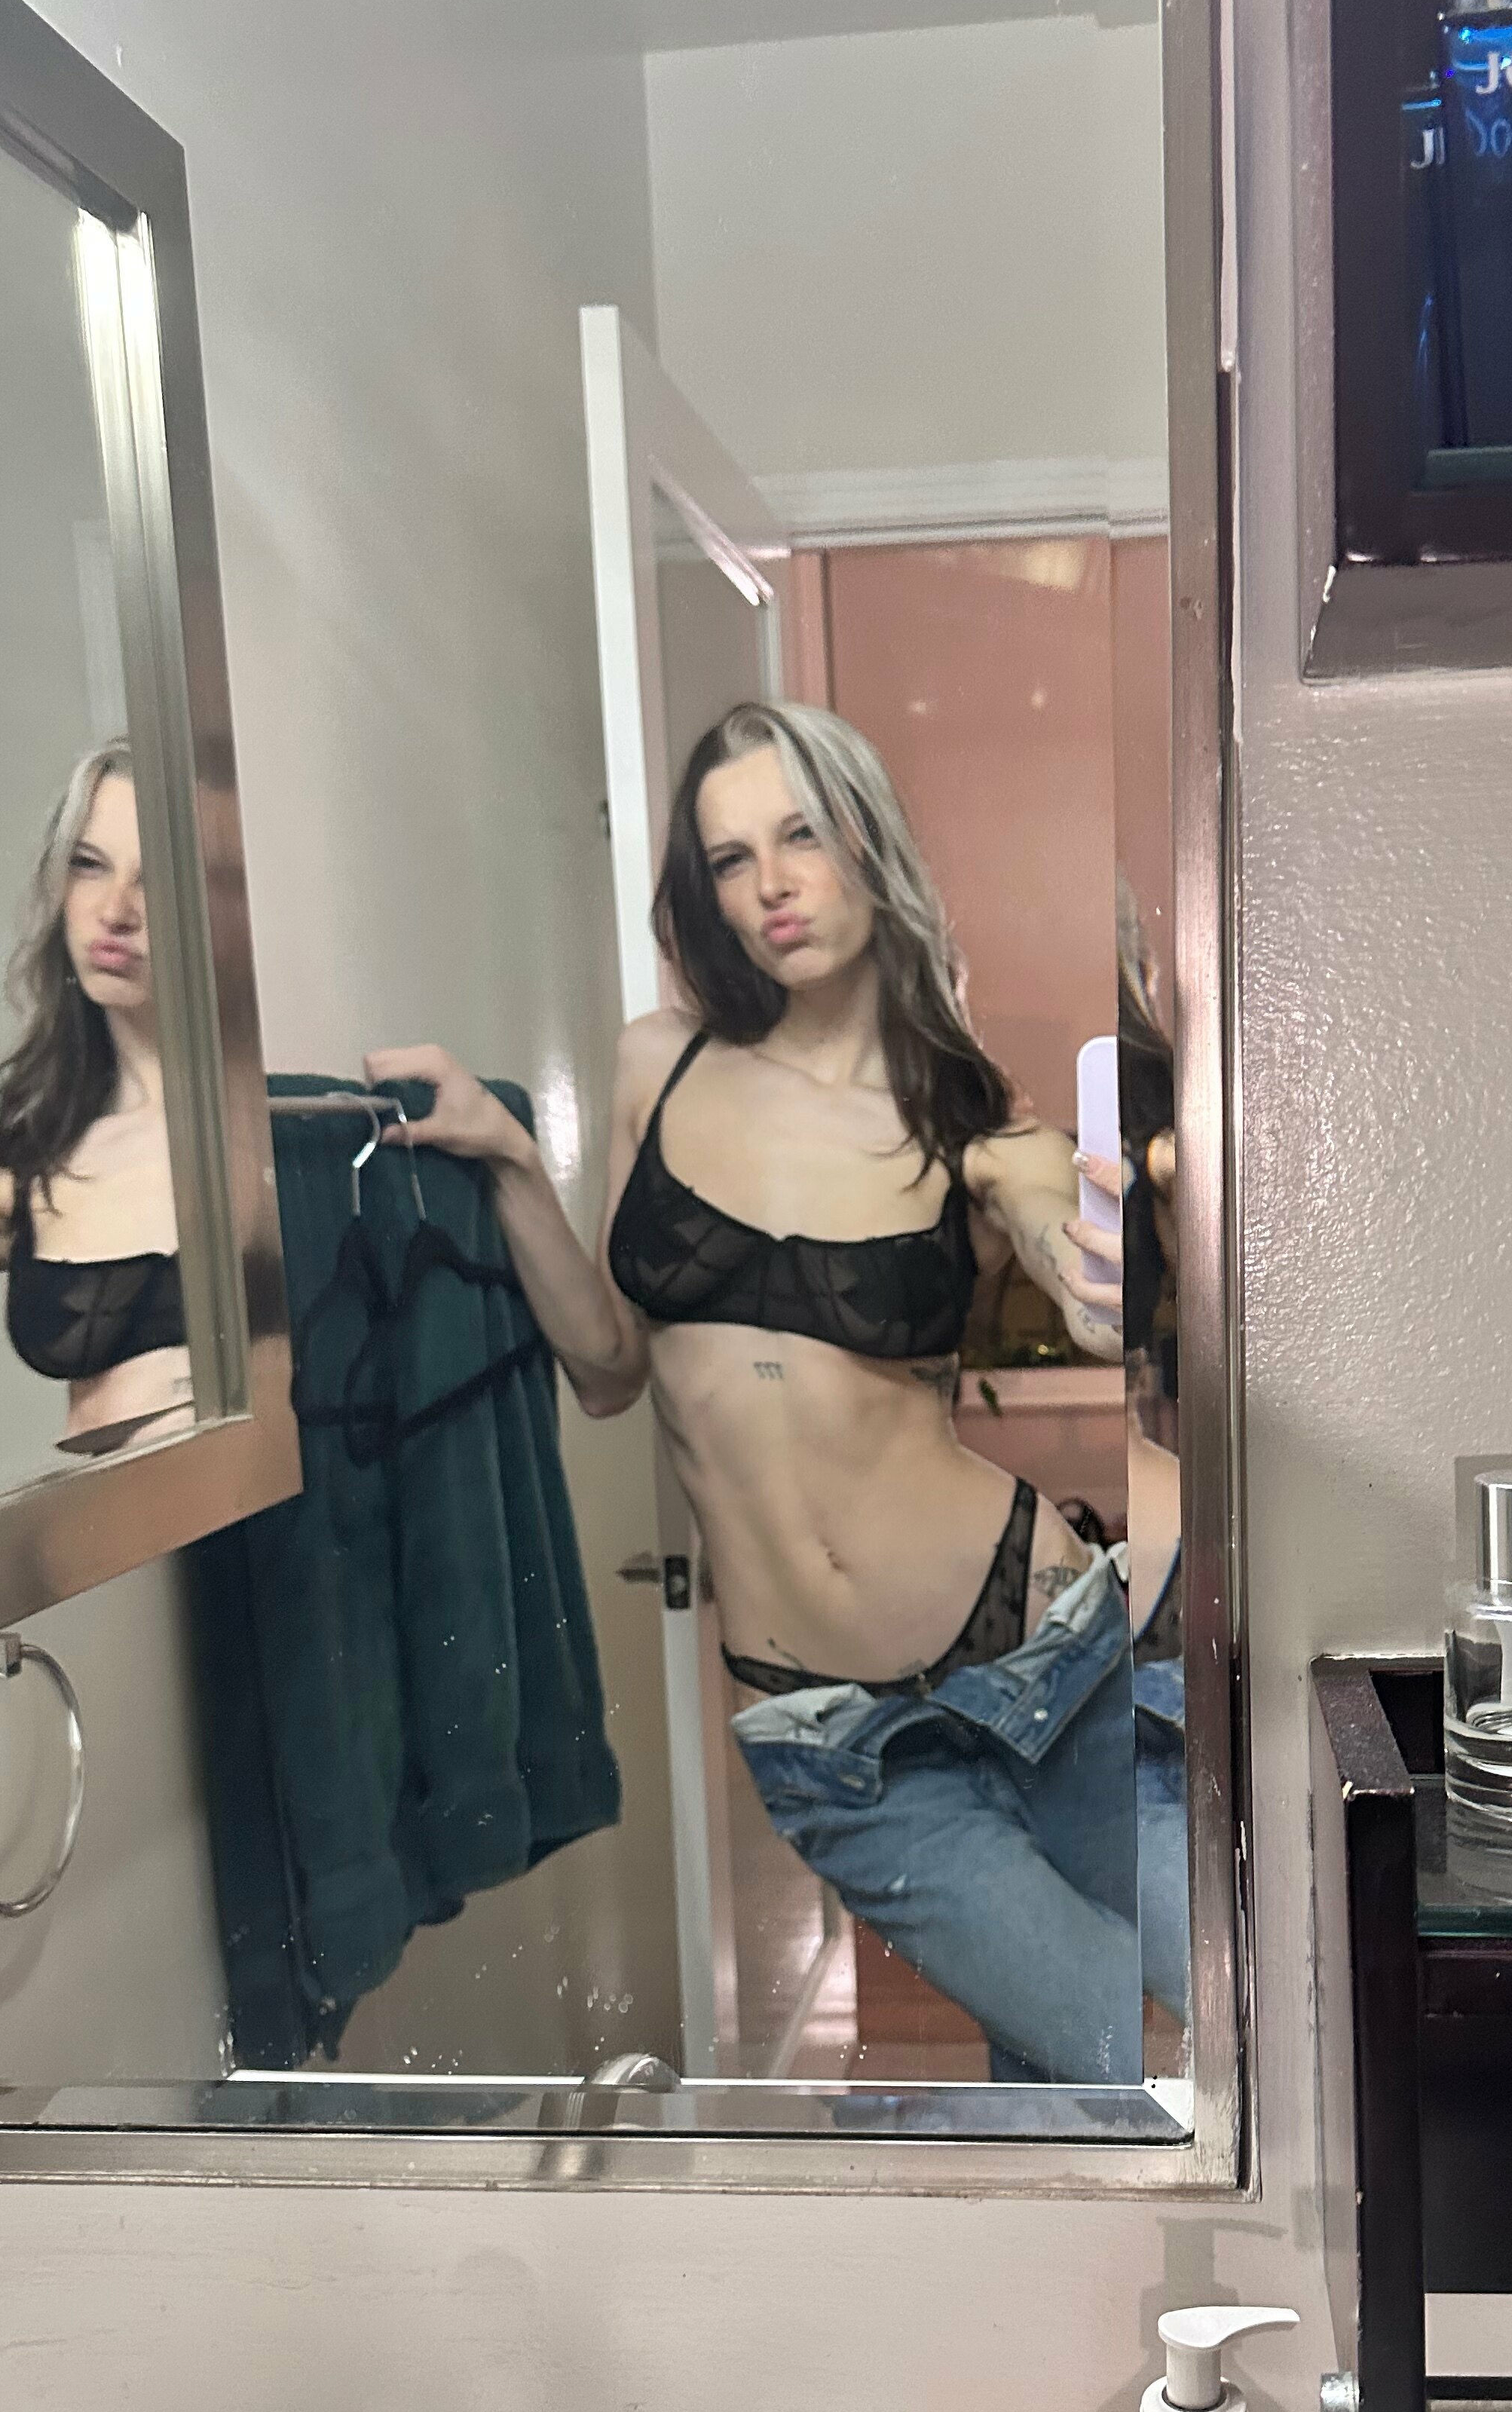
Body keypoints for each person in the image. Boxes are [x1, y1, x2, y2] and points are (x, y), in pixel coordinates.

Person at [372, 699, 1181, 2080]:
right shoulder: (659, 1062)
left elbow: (1065, 1249)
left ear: (867, 842)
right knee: (1106, 2050)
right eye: (731, 857)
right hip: (837, 1740)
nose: (771, 886)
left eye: (800, 834)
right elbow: (610, 1369)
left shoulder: (966, 1117)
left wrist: (1096, 1273)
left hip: (1045, 1651)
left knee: (1241, 2020)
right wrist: (506, 1155)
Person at [0, 739, 190, 1455]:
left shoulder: (280, 1135)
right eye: (89, 865)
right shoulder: (32, 1167)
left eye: (155, 878)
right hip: (113, 1525)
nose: (116, 910)